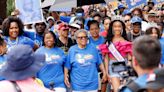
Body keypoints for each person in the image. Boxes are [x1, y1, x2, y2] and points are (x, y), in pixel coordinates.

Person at [99, 18, 132, 92]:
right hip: (112, 66)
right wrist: (107, 73)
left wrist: (129, 72)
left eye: (119, 26)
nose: (117, 28)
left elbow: (130, 59)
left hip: (125, 66)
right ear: (112, 28)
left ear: (122, 28)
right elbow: (106, 58)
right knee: (116, 90)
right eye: (115, 26)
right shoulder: (108, 42)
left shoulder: (127, 42)